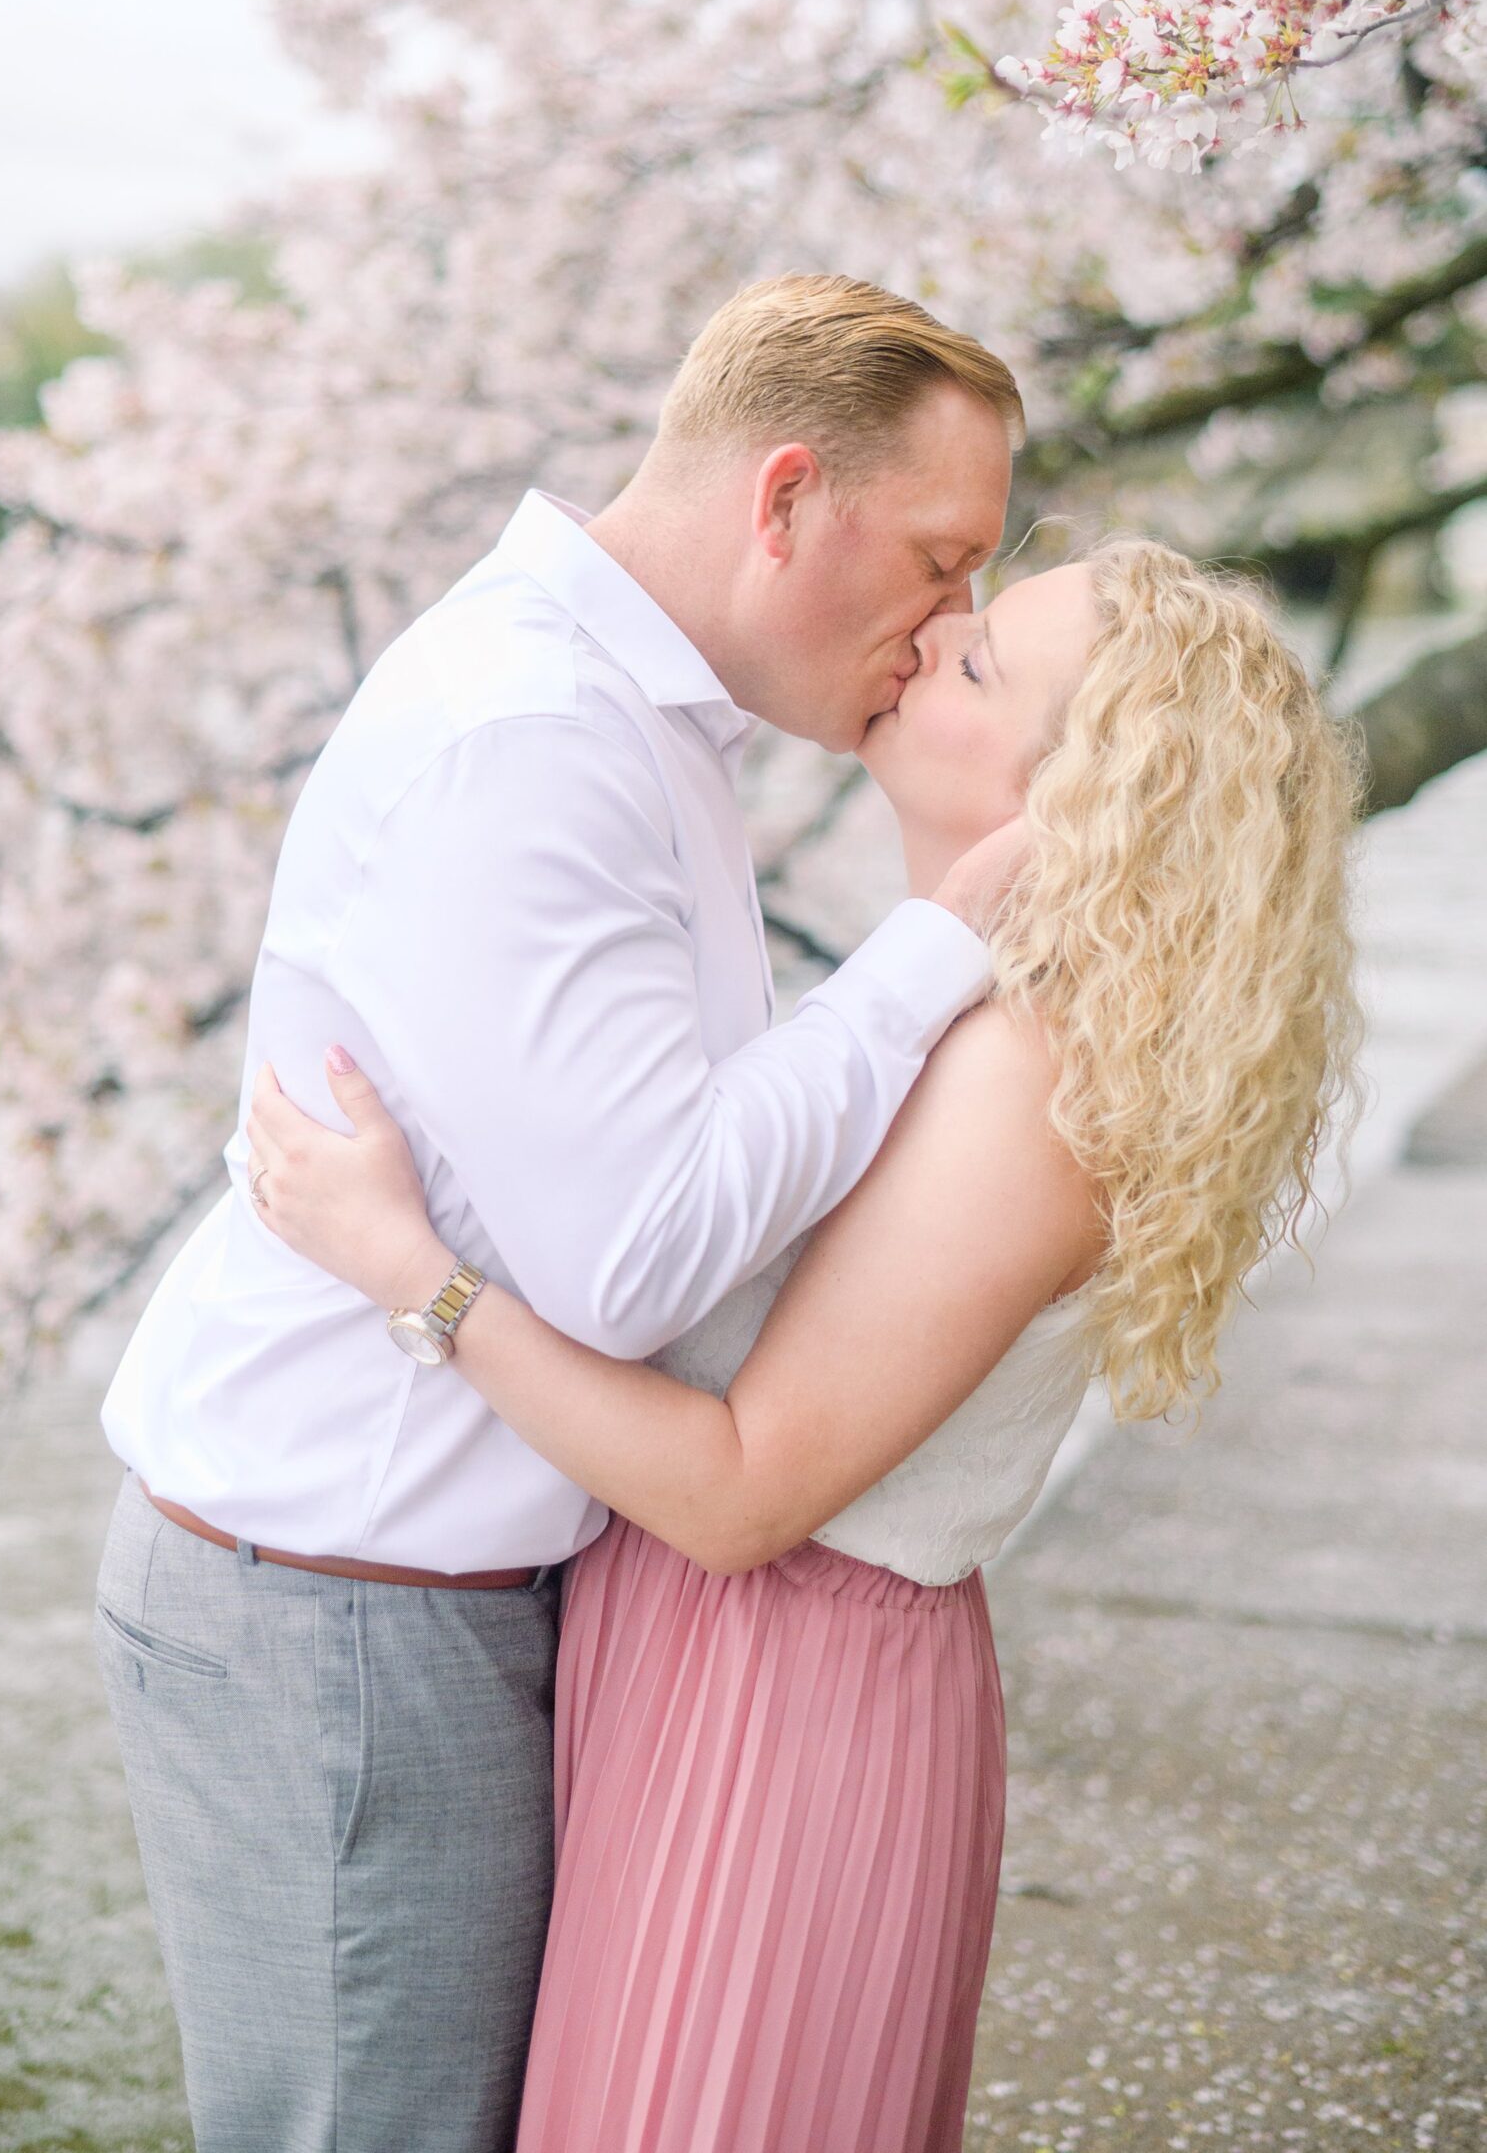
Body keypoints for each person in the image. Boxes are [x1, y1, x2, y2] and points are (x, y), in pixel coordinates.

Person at [246, 536, 1364, 2153]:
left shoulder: (1019, 1086)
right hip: (716, 1670)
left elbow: (742, 1493)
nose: (930, 638)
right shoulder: (964, 1011)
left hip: (781, 1714)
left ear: (1089, 802)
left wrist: (410, 1271)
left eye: (984, 664)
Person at [92, 272, 1026, 2153]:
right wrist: (929, 956)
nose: (955, 626)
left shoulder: (633, 714)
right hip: (344, 1610)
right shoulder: (537, 736)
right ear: (784, 502)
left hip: (418, 1586)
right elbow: (633, 1260)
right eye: (939, 559)